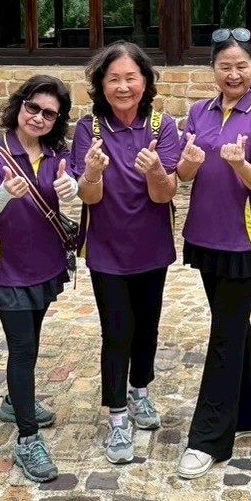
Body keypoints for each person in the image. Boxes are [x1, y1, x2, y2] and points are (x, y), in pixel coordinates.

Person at [175, 28, 251, 479]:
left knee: (224, 333)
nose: (233, 74)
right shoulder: (198, 112)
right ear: (213, 70)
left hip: (243, 239)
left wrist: (239, 164)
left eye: (241, 66)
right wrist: (190, 162)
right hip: (203, 234)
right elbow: (183, 175)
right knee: (231, 324)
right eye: (225, 66)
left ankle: (209, 439)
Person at [71, 42, 181, 465]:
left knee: (147, 326)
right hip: (107, 248)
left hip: (152, 244)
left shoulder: (161, 125)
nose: (122, 87)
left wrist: (155, 170)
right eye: (113, 79)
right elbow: (89, 196)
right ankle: (117, 416)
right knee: (117, 330)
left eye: (130, 78)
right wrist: (92, 172)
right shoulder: (90, 130)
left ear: (145, 81)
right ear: (101, 85)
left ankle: (140, 390)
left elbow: (164, 194)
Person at [0, 74, 75, 483]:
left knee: (31, 340)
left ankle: (15, 402)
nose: (38, 117)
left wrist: (71, 187)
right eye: (33, 107)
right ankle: (27, 438)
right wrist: (4, 193)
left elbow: (75, 185)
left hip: (45, 264)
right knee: (22, 347)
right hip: (7, 268)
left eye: (49, 113)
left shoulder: (57, 154)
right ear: (19, 105)